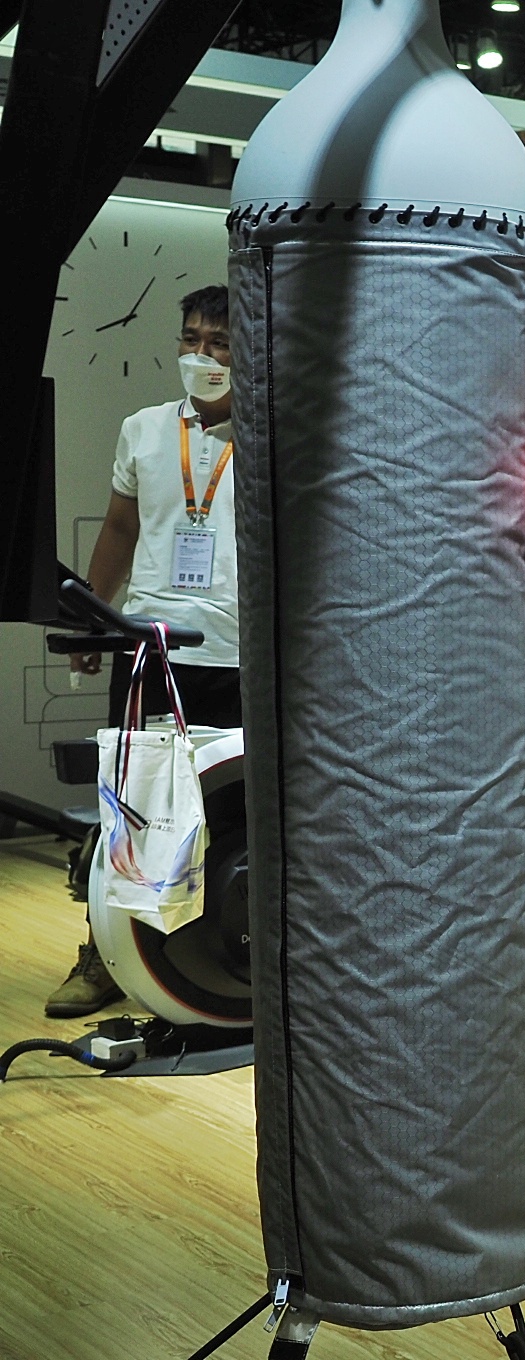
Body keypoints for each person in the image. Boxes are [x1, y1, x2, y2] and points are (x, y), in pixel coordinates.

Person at [46, 285, 241, 1020]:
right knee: (131, 812)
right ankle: (104, 954)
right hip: (151, 654)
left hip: (243, 657)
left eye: (219, 342)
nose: (202, 355)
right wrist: (95, 621)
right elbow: (121, 530)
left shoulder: (277, 436)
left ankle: (219, 957)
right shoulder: (146, 429)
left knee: (234, 815)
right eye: (192, 339)